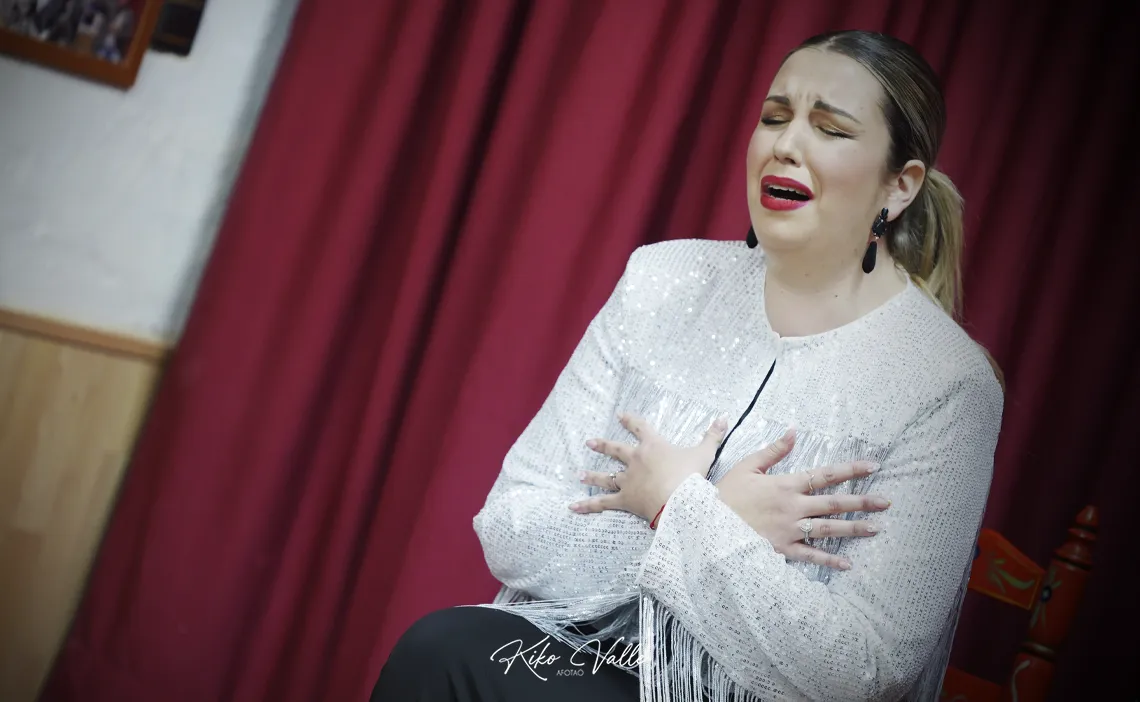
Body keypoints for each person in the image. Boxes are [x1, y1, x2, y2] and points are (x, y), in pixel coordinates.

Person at [371, 29, 1004, 702]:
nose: (784, 145)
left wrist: (677, 506)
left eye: (830, 129)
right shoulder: (663, 279)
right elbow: (511, 523)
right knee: (442, 651)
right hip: (600, 662)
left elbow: (861, 667)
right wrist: (702, 520)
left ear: (899, 185)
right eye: (774, 117)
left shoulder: (947, 383)